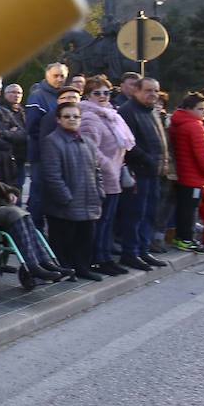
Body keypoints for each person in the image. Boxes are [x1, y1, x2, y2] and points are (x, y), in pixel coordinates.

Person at [0, 122, 67, 283]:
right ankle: (34, 265)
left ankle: (46, 262)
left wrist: (11, 191)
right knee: (15, 213)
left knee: (24, 216)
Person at [78, 75, 136, 275]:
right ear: (87, 95)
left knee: (109, 221)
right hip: (102, 177)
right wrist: (110, 167)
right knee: (101, 221)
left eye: (106, 92)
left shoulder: (110, 114)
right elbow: (90, 148)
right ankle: (96, 259)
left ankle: (105, 257)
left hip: (115, 174)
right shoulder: (88, 116)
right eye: (97, 93)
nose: (102, 96)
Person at [40, 102, 104, 280]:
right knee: (63, 241)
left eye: (76, 116)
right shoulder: (52, 141)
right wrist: (66, 198)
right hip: (64, 206)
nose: (72, 120)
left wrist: (99, 192)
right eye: (67, 116)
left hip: (89, 202)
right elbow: (52, 175)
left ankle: (82, 268)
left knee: (85, 239)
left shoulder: (88, 142)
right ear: (58, 120)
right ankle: (65, 271)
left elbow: (97, 170)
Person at [117, 76, 171, 270]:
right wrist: (147, 159)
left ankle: (143, 250)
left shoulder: (152, 112)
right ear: (136, 91)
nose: (153, 95)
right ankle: (130, 253)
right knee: (135, 215)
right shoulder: (127, 112)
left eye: (156, 91)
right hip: (137, 172)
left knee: (149, 214)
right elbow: (128, 144)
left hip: (154, 172)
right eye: (149, 90)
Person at [25, 62, 69, 226]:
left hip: (61, 153)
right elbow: (32, 127)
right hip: (41, 154)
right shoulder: (38, 96)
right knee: (38, 193)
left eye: (62, 76)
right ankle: (35, 230)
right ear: (47, 76)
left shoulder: (63, 95)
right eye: (55, 76)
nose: (59, 79)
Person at [168, 94, 204, 252]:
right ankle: (186, 239)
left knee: (183, 208)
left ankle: (182, 237)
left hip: (183, 173)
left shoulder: (179, 123)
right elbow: (202, 155)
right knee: (189, 210)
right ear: (189, 109)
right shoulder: (195, 127)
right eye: (200, 109)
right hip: (193, 176)